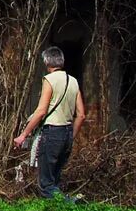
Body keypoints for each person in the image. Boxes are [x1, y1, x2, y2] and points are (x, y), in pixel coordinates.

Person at [12, 46, 86, 198]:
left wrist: (23, 135)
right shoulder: (73, 81)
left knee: (45, 185)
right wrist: (71, 136)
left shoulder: (49, 80)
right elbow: (81, 115)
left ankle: (69, 204)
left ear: (46, 62)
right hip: (67, 133)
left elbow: (41, 112)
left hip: (52, 133)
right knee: (54, 180)